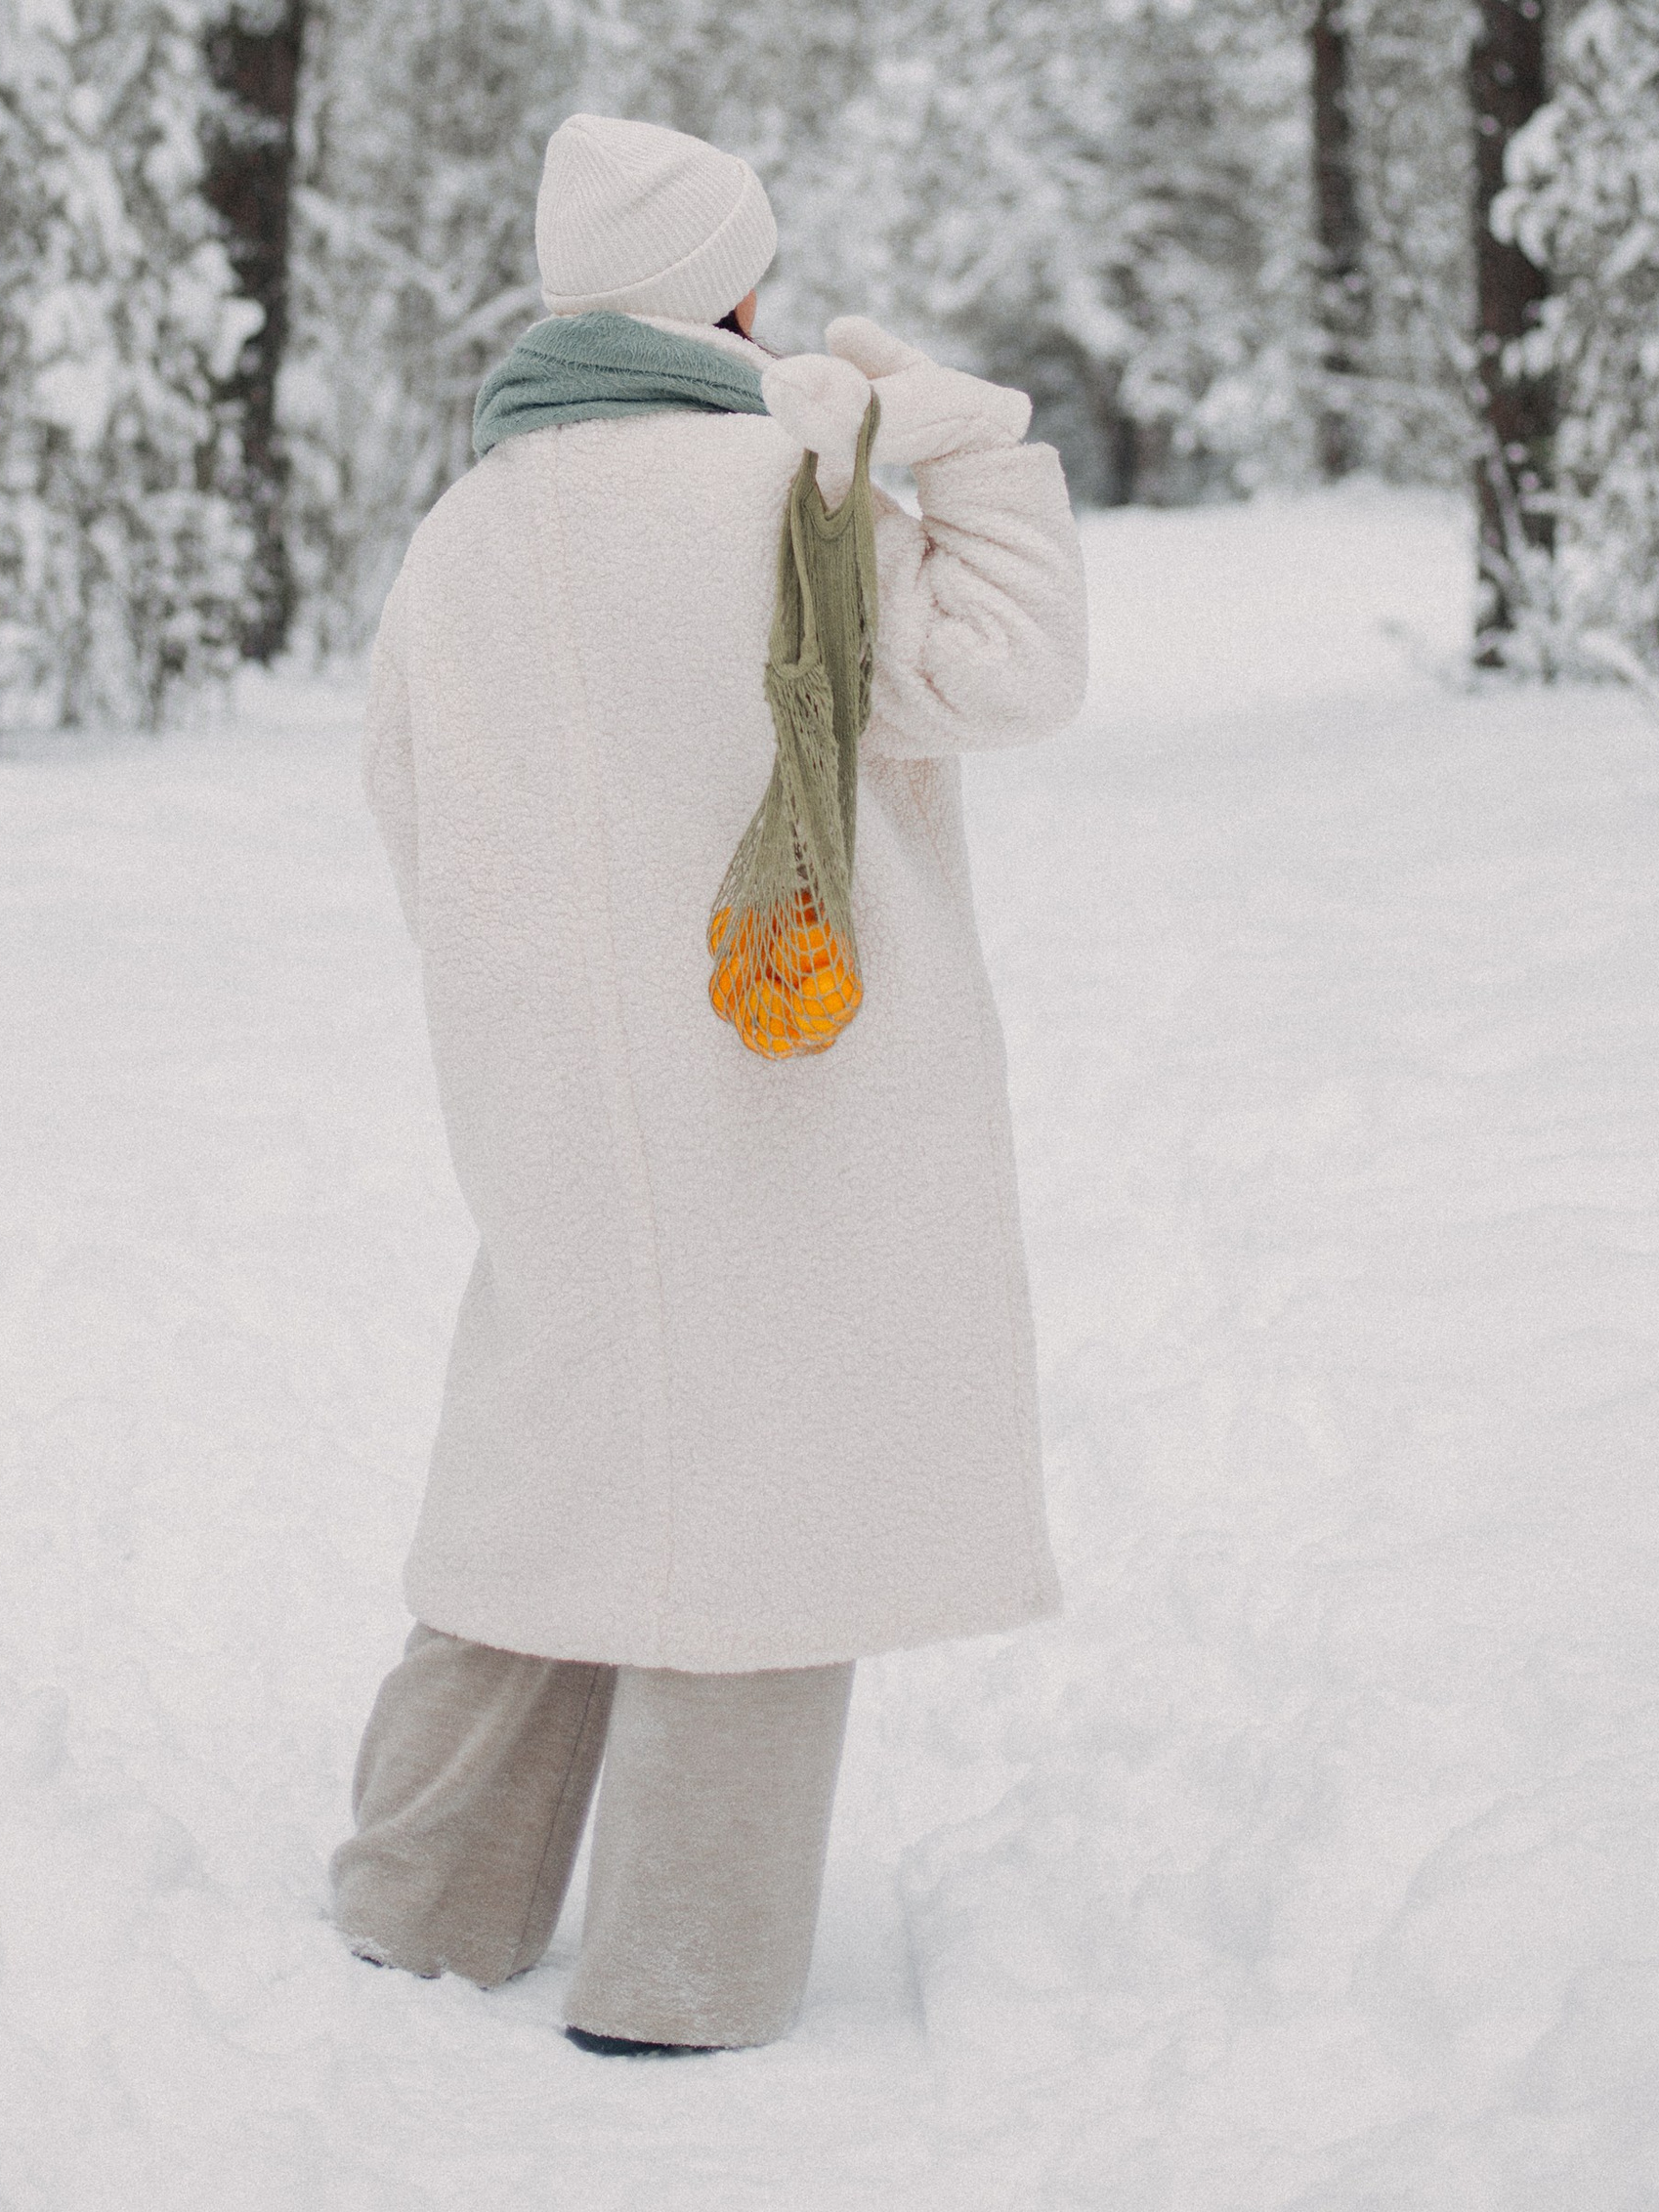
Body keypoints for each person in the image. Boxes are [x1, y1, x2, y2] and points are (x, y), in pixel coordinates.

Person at [332, 112, 1088, 2055]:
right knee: (767, 1487)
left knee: (554, 1454)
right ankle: (681, 1975)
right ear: (728, 293)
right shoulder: (794, 488)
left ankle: (424, 1898)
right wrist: (980, 445)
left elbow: (409, 812)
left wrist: (522, 1001)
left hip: (555, 1090)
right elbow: (1001, 674)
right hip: (789, 1073)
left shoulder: (465, 531)